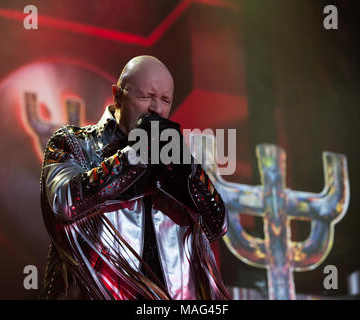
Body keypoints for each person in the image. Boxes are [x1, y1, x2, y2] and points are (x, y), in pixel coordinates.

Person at [40, 55, 229, 300]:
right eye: (146, 97)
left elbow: (218, 224)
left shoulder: (174, 157)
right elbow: (62, 204)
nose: (157, 108)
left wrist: (187, 173)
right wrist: (136, 154)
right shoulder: (74, 142)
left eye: (165, 100)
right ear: (118, 96)